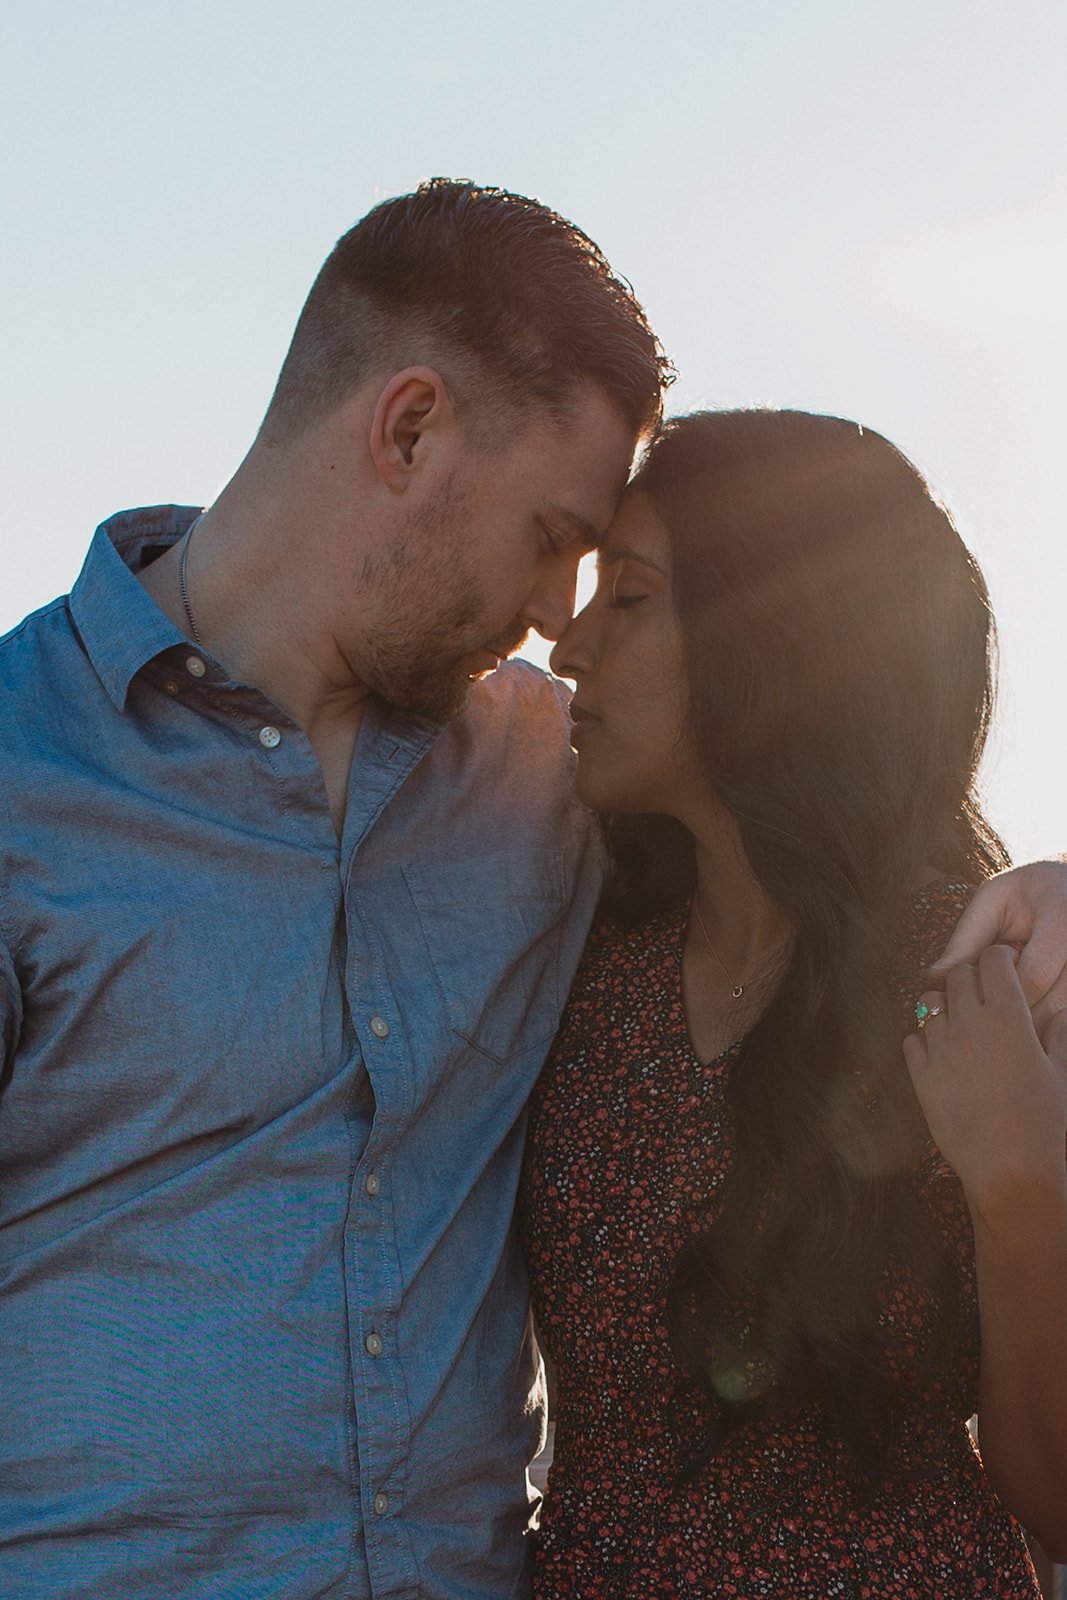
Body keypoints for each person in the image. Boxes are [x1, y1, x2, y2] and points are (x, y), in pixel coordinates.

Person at [0, 191, 1063, 1600]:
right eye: (557, 536)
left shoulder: (545, 785)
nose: (560, 617)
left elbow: (823, 817)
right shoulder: (27, 767)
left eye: (611, 581)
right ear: (409, 428)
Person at [522, 409, 1067, 1598]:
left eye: (628, 599)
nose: (566, 649)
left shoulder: (978, 977)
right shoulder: (582, 954)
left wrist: (1024, 1190)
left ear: (773, 639)